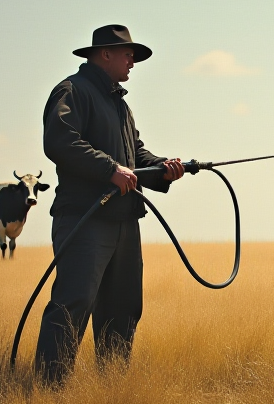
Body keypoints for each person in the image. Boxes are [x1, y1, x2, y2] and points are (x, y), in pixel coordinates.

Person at [35, 24, 185, 384]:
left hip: (124, 222)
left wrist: (163, 169)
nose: (132, 61)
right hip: (85, 220)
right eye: (127, 54)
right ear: (105, 54)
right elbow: (59, 141)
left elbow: (135, 157)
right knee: (72, 305)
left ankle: (113, 388)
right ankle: (48, 390)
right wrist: (108, 169)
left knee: (124, 309)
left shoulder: (121, 106)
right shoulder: (73, 91)